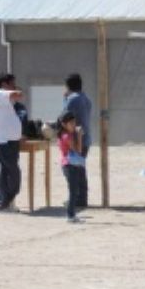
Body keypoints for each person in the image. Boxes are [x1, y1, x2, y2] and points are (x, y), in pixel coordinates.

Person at [62, 74, 92, 208]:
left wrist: (65, 99)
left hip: (75, 139)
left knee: (73, 170)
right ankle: (82, 199)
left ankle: (78, 199)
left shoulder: (72, 99)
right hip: (85, 138)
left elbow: (64, 117)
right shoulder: (86, 98)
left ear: (69, 86)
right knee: (80, 168)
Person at [57, 112, 86, 223]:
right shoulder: (66, 136)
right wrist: (79, 135)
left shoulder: (66, 134)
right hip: (69, 165)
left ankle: (70, 209)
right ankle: (70, 215)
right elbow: (78, 149)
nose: (74, 125)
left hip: (70, 164)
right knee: (73, 190)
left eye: (74, 122)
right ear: (64, 124)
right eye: (71, 123)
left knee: (74, 190)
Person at [0, 84, 23, 212]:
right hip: (5, 141)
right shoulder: (0, 94)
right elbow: (18, 94)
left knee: (6, 171)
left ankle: (4, 202)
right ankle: (7, 199)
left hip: (9, 140)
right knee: (13, 171)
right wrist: (12, 91)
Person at [0, 73, 30, 138]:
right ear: (4, 84)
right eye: (12, 84)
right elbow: (19, 94)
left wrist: (23, 134)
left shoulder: (18, 106)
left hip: (13, 138)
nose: (14, 87)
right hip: (3, 140)